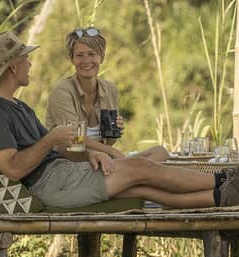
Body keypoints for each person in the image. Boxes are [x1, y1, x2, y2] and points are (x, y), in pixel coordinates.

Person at [0, 30, 239, 209]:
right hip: (51, 185)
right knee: (141, 167)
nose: (30, 64)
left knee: (141, 187)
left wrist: (90, 154)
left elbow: (60, 147)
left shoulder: (18, 106)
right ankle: (228, 178)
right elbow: (12, 168)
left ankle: (224, 196)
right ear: (13, 68)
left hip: (63, 172)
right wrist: (53, 138)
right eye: (25, 60)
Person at [45, 26, 169, 164]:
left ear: (102, 57)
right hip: (73, 162)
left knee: (160, 152)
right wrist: (112, 152)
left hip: (105, 161)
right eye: (80, 55)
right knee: (143, 168)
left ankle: (133, 172)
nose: (86, 61)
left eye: (92, 54)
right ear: (72, 59)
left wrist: (116, 130)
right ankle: (134, 173)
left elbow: (109, 141)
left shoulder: (110, 90)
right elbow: (74, 139)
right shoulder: (62, 91)